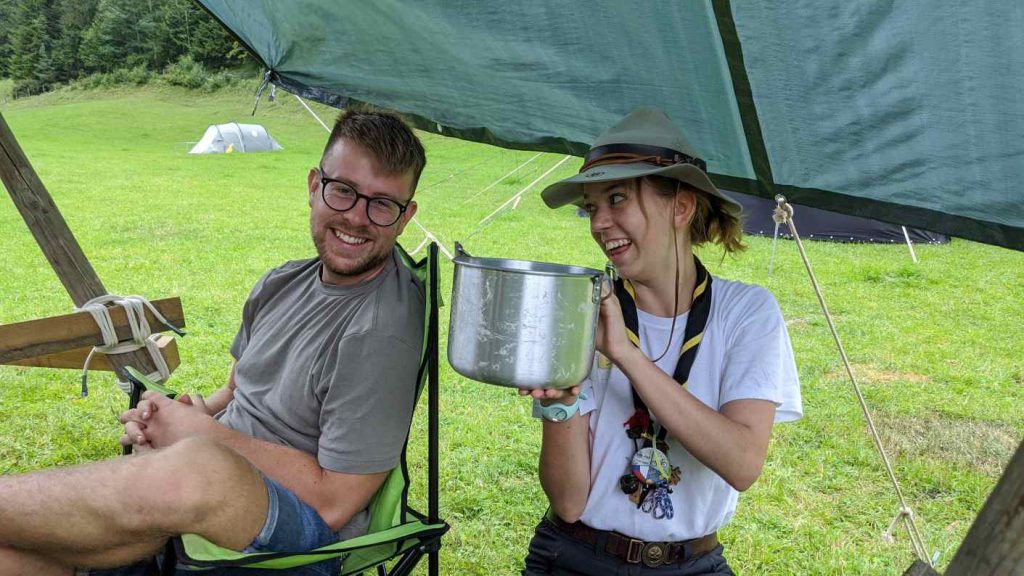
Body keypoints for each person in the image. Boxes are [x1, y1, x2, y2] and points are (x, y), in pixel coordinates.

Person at [0, 109, 428, 576]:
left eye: (382, 204)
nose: (356, 217)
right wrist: (178, 418)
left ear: (405, 217)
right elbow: (234, 392)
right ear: (313, 186)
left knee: (198, 467)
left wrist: (200, 436)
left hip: (298, 542)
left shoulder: (380, 333)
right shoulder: (281, 283)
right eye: (342, 190)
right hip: (211, 496)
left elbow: (334, 502)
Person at [521, 107, 802, 575]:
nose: (598, 223)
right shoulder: (580, 310)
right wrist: (560, 406)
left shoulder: (746, 313)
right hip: (575, 558)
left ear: (681, 207)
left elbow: (742, 463)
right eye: (592, 207)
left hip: (693, 565)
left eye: (617, 199)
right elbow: (568, 502)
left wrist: (626, 355)